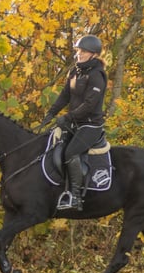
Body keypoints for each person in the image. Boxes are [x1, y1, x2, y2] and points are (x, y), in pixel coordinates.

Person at [42, 35, 107, 211]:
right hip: (75, 124)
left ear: (93, 54)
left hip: (90, 125)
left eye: (83, 51)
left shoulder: (97, 76)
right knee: (54, 146)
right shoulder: (75, 71)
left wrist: (68, 117)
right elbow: (64, 96)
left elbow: (89, 105)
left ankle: (75, 197)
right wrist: (51, 113)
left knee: (70, 152)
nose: (79, 54)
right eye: (78, 51)